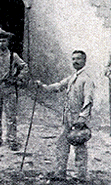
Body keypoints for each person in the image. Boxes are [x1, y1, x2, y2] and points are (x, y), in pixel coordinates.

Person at [36, 51, 94, 183]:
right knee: (62, 143)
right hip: (67, 117)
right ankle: (60, 172)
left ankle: (80, 176)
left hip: (78, 118)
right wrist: (43, 87)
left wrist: (82, 117)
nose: (75, 61)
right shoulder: (72, 77)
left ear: (84, 61)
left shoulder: (86, 79)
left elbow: (88, 100)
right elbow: (58, 86)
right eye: (73, 59)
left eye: (78, 59)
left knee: (79, 146)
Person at [0, 28, 29, 151]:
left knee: (11, 115)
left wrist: (16, 78)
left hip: (9, 88)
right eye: (0, 41)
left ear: (8, 42)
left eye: (4, 41)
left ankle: (12, 140)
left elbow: (25, 67)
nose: (2, 43)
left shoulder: (13, 56)